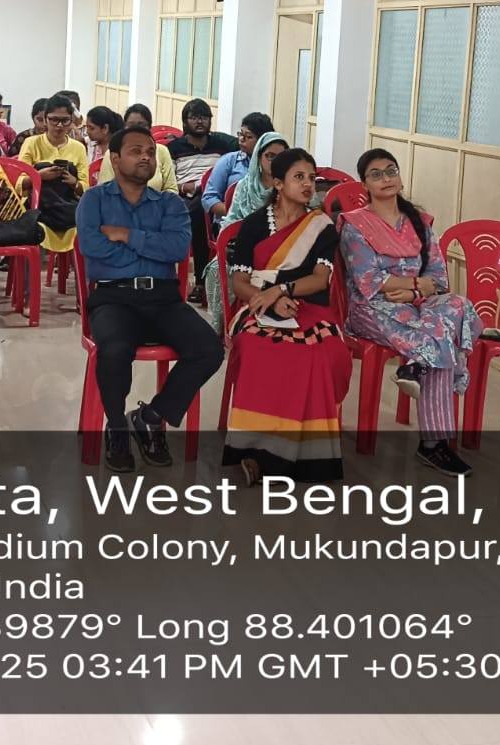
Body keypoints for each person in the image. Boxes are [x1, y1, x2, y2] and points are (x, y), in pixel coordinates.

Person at [77, 126, 224, 473]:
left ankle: (150, 417)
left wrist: (126, 235)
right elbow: (94, 249)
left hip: (163, 299)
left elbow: (177, 249)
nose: (145, 157)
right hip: (113, 297)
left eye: (150, 152)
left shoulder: (170, 204)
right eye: (136, 151)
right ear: (115, 159)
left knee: (209, 349)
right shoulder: (94, 200)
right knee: (115, 349)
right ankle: (116, 426)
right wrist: (149, 247)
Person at [338, 148, 481, 477]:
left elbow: (439, 279)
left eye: (391, 171)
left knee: (459, 305)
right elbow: (368, 280)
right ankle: (434, 444)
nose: (386, 179)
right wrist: (417, 285)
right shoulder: (355, 226)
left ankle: (416, 367)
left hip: (416, 304)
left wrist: (414, 292)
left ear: (400, 178)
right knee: (440, 335)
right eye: (376, 174)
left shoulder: (419, 222)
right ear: (365, 185)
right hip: (372, 308)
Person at [222, 147, 352, 485]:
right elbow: (239, 282)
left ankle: (304, 453)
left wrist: (281, 291)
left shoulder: (322, 227)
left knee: (319, 351)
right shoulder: (254, 224)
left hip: (309, 306)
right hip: (256, 306)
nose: (308, 184)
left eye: (312, 178)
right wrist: (267, 300)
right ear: (278, 183)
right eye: (299, 177)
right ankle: (254, 450)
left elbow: (320, 279)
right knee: (259, 346)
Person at [202, 132, 287, 331]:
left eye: (281, 157)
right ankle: (222, 326)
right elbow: (231, 222)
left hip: (281, 251)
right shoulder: (245, 186)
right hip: (244, 248)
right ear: (258, 157)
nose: (275, 162)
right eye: (270, 156)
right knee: (216, 269)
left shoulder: (288, 187)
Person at [165, 99, 239, 306]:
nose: (200, 122)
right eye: (194, 117)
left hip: (216, 195)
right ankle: (200, 281)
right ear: (185, 121)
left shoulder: (222, 146)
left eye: (204, 117)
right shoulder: (174, 148)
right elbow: (169, 181)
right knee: (199, 211)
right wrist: (186, 187)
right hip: (186, 198)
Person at [17, 94, 88, 256]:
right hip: (39, 207)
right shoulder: (31, 143)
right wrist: (39, 176)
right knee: (42, 170)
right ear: (45, 119)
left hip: (66, 202)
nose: (59, 125)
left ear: (72, 121)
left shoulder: (78, 148)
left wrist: (74, 182)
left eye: (65, 120)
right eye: (54, 120)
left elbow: (85, 188)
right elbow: (19, 182)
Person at [202, 111, 274, 222]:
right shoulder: (229, 161)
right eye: (240, 134)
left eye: (248, 136)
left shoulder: (271, 165)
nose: (241, 139)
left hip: (267, 220)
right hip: (231, 221)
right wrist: (236, 212)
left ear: (262, 141)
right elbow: (209, 198)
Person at [123, 105, 179, 193]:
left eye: (141, 125)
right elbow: (106, 192)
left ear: (149, 128)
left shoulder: (161, 151)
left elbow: (172, 189)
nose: (136, 129)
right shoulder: (113, 153)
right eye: (131, 125)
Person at [83, 105, 123, 169]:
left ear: (105, 128)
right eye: (87, 127)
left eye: (91, 128)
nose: (87, 132)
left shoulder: (118, 150)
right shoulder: (87, 144)